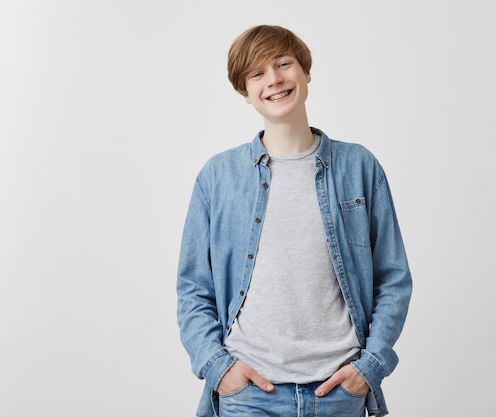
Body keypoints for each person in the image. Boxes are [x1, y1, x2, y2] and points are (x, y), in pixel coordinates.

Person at [176, 25, 412, 417]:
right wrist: (220, 369)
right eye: (257, 73)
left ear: (305, 73)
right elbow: (193, 289)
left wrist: (369, 368)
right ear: (245, 91)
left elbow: (392, 278)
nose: (274, 79)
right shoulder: (217, 177)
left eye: (284, 64)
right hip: (248, 396)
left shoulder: (359, 167)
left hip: (339, 392)